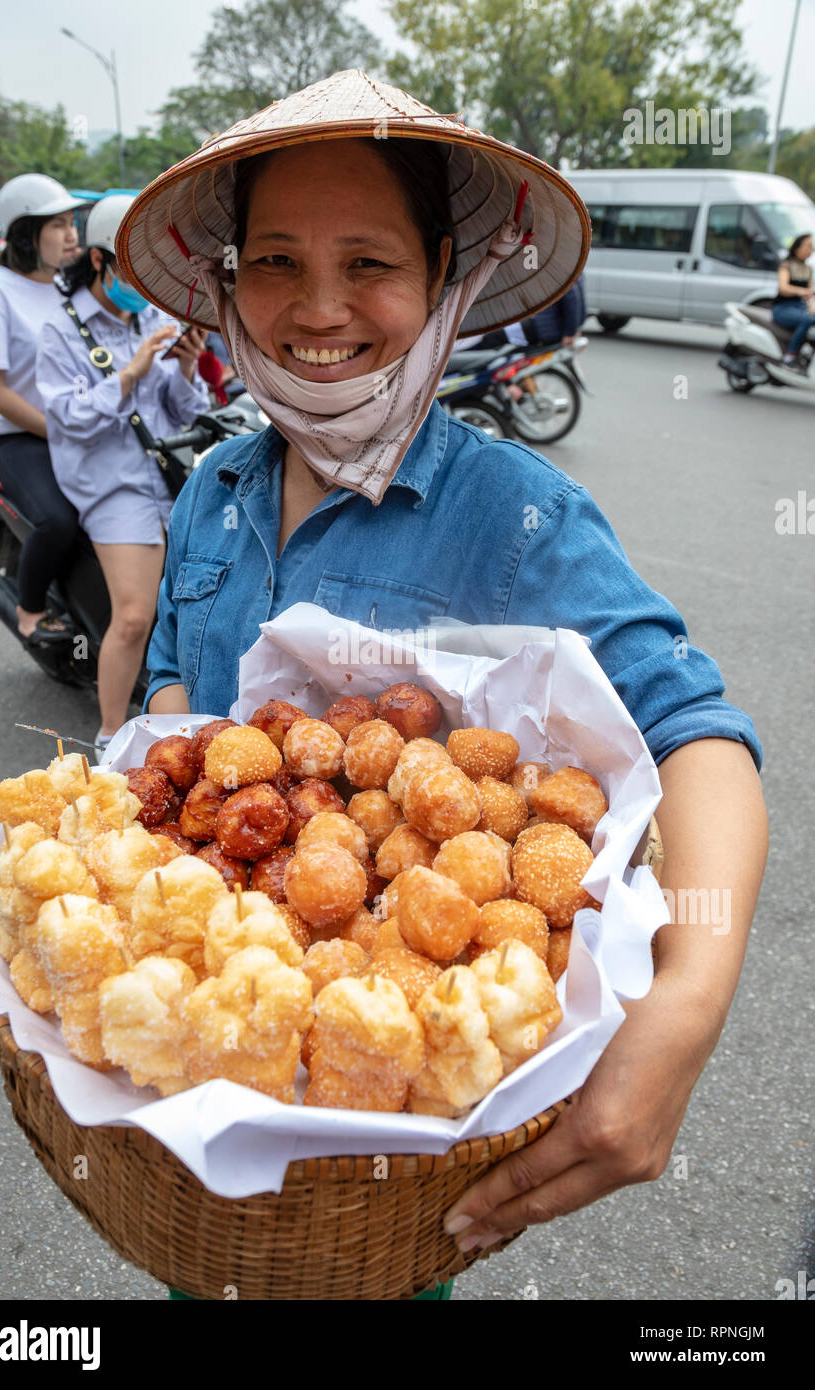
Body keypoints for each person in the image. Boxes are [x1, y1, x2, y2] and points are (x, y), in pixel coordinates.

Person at [115, 69, 767, 1297]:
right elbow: (170, 691)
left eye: (368, 263)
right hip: (199, 1107)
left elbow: (697, 738)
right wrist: (162, 763)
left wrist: (688, 1000)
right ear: (225, 282)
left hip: (392, 1153)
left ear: (443, 280)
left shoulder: (515, 514)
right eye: (272, 261)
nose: (316, 309)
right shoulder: (210, 492)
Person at [35, 195, 209, 757]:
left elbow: (182, 412)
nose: (141, 284)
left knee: (193, 604)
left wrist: (184, 367)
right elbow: (68, 420)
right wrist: (130, 374)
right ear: (98, 261)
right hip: (111, 483)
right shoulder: (61, 331)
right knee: (134, 616)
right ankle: (110, 737)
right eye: (129, 270)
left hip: (168, 476)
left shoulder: (155, 317)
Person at [0, 174, 86, 642]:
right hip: (19, 437)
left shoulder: (69, 287)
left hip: (79, 427)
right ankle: (30, 608)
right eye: (57, 224)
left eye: (72, 222)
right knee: (58, 520)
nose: (71, 234)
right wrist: (60, 432)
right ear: (24, 235)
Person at [771, 232, 814, 368]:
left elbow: (811, 293)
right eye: (808, 246)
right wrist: (802, 291)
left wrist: (812, 305)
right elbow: (783, 288)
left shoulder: (808, 269)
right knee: (807, 320)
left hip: (799, 307)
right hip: (782, 307)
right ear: (797, 247)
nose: (811, 250)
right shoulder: (786, 265)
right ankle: (790, 354)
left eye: (812, 247)